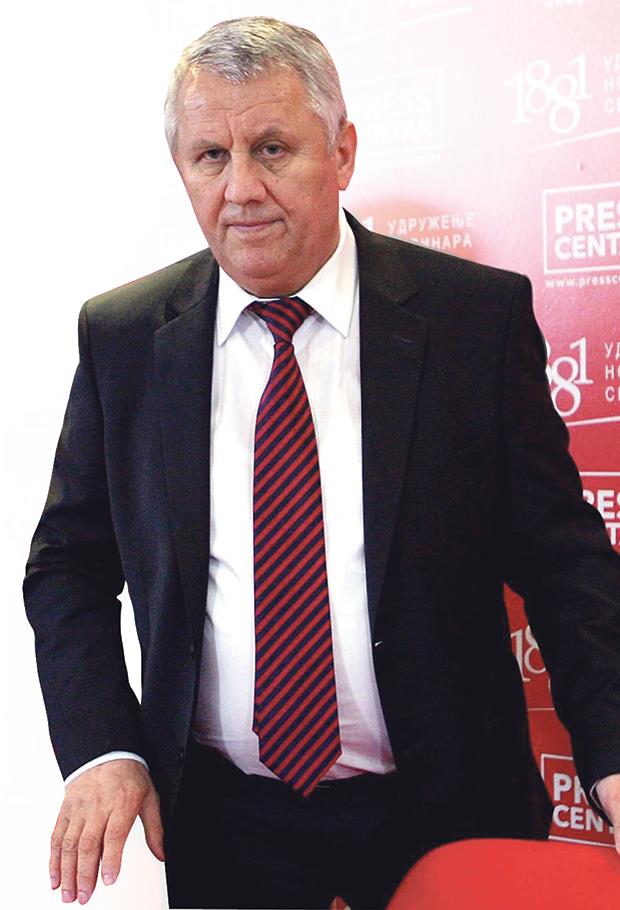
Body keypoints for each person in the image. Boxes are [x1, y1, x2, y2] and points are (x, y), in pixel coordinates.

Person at [24, 15, 620, 910]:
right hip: (224, 822)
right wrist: (105, 746)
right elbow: (68, 565)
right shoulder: (125, 337)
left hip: (449, 807)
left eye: (273, 148)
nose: (242, 189)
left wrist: (613, 751)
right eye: (211, 156)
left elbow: (564, 561)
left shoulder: (472, 320)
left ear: (342, 151)